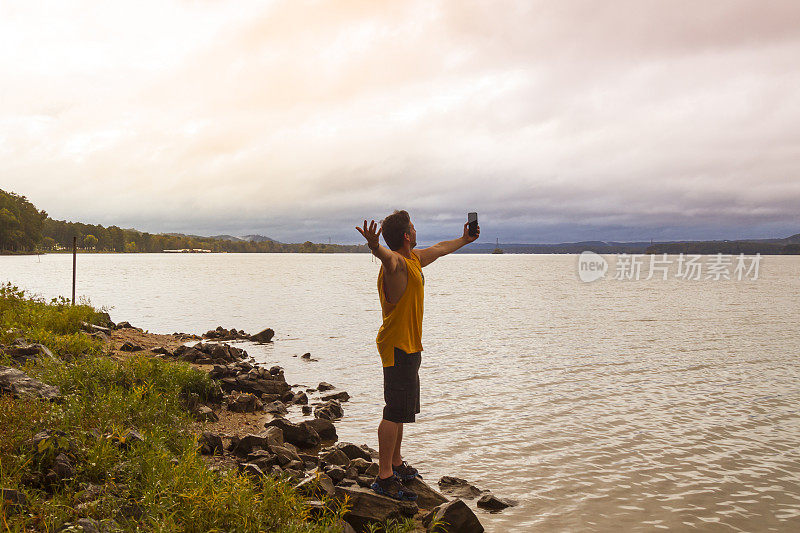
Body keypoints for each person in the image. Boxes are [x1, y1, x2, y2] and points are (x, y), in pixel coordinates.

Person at [355, 210, 480, 500]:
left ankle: (396, 463)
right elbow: (387, 257)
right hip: (397, 345)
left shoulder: (415, 259)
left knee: (402, 410)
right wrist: (374, 247)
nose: (416, 229)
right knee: (393, 410)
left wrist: (465, 238)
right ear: (407, 235)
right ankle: (384, 475)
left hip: (410, 345)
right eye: (413, 226)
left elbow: (440, 248)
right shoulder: (397, 263)